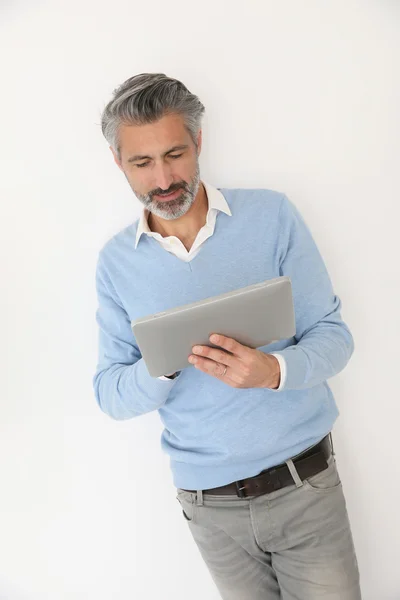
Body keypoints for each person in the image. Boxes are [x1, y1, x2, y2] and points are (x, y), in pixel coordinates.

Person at [93, 73, 362, 599]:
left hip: (304, 487)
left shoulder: (272, 215)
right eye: (142, 163)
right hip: (209, 509)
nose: (164, 178)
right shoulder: (115, 264)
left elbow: (333, 336)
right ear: (117, 162)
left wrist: (274, 372)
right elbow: (109, 393)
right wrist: (163, 361)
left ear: (198, 141)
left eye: (175, 154)